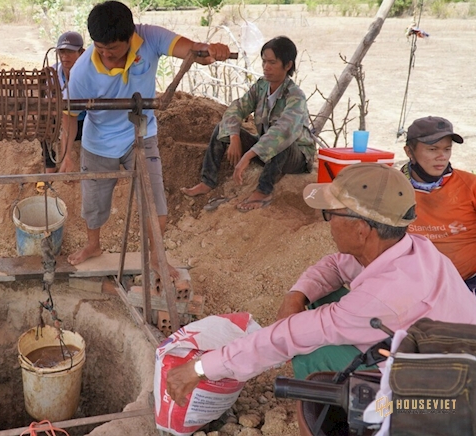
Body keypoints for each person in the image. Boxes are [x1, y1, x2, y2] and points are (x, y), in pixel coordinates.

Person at [166, 163, 476, 405]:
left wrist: (199, 368)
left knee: (311, 354)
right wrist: (296, 295)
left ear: (362, 229)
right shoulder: (410, 247)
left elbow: (284, 338)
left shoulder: (382, 298)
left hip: (437, 398)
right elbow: (337, 265)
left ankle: (356, 418)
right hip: (446, 358)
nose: (326, 222)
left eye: (330, 214)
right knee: (321, 302)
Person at [60, 0, 231, 271]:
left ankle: (155, 257)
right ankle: (93, 245)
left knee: (154, 201)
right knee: (94, 203)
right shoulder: (83, 70)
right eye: (100, 49)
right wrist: (67, 153)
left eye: (113, 49)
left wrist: (208, 51)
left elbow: (191, 49)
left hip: (141, 133)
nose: (106, 55)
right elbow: (68, 115)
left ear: (130, 36)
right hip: (98, 142)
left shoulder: (150, 38)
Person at [181, 36, 315, 212]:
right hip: (264, 149)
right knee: (222, 128)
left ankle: (263, 191)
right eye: (264, 62)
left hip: (295, 156)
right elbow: (236, 108)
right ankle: (208, 181)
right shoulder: (261, 87)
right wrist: (234, 136)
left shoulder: (295, 96)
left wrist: (248, 156)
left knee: (282, 143)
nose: (266, 67)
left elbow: (283, 131)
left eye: (272, 62)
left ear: (288, 65)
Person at [402, 116, 476, 292]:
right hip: (412, 284)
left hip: (468, 281)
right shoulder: (393, 187)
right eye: (432, 149)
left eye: (447, 149)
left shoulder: (469, 184)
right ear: (409, 151)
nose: (441, 157)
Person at [41, 31, 86, 174]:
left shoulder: (89, 74)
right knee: (42, 121)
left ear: (82, 52)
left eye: (70, 52)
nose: (65, 56)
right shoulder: (52, 72)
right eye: (61, 51)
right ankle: (49, 165)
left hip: (86, 122)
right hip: (61, 120)